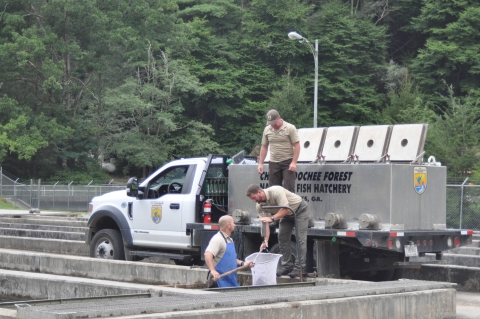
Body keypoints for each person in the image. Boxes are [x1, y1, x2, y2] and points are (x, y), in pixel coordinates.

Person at [246, 184, 308, 278]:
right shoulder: (259, 206)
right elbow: (264, 223)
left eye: (254, 198)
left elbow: (286, 209)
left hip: (299, 210)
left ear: (259, 192)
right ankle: (287, 266)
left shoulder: (276, 191)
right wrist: (265, 240)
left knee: (300, 239)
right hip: (286, 215)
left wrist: (272, 218)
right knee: (282, 237)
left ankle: (299, 267)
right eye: (252, 199)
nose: (254, 201)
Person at [204, 215, 254, 287]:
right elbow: (208, 254)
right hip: (219, 283)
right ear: (228, 226)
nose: (235, 225)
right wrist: (213, 271)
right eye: (233, 223)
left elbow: (230, 259)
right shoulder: (218, 239)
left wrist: (243, 263)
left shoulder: (229, 240)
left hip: (230, 281)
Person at [257, 109, 300, 192]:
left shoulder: (290, 128)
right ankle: (275, 205)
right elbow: (264, 147)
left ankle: (288, 205)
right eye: (271, 123)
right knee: (273, 190)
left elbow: (297, 146)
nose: (273, 125)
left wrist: (294, 162)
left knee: (289, 189)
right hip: (273, 163)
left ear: (279, 118)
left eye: (274, 122)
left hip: (287, 162)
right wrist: (261, 163)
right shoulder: (267, 130)